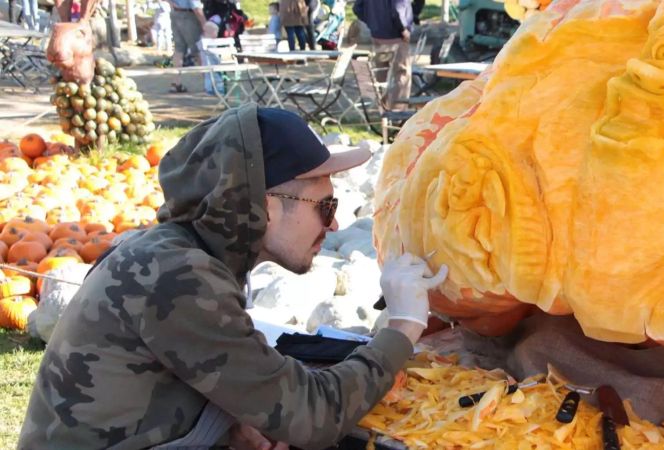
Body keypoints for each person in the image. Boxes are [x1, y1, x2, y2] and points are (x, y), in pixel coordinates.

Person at [18, 105, 448, 449]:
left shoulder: (184, 252)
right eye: (325, 207)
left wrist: (227, 428)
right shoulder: (179, 276)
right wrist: (402, 327)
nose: (333, 226)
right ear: (265, 205)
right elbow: (314, 416)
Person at [353, 0, 414, 109]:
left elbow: (357, 7)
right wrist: (403, 29)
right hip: (397, 35)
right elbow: (397, 8)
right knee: (401, 73)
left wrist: (373, 22)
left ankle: (382, 107)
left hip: (378, 35)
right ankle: (398, 110)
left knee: (381, 73)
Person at [167, 0, 206, 92]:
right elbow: (196, 7)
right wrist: (204, 23)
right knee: (198, 49)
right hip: (188, 16)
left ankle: (176, 82)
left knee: (178, 49)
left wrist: (172, 5)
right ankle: (209, 81)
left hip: (175, 13)